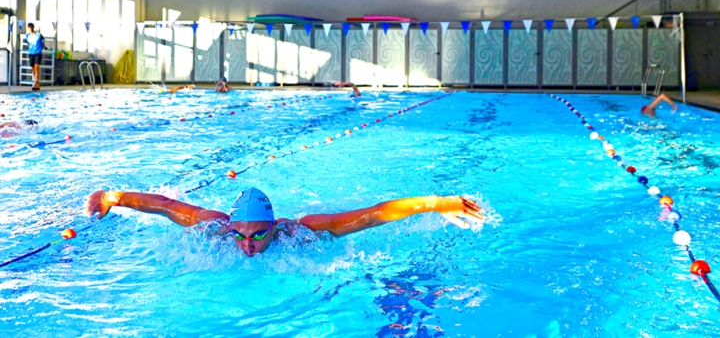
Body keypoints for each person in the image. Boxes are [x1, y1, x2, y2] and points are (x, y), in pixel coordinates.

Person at [86, 187, 484, 257]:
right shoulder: (216, 227)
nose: (247, 246)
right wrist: (111, 198)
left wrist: (436, 204)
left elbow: (372, 215)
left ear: (273, 226)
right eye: (240, 236)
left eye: (258, 236)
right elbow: (162, 205)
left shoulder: (302, 230)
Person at [25, 23, 44, 91]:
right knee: (33, 69)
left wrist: (41, 48)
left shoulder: (38, 35)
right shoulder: (27, 36)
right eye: (29, 27)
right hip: (31, 53)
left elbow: (43, 41)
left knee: (36, 68)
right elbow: (28, 43)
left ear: (33, 27)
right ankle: (37, 84)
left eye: (31, 27)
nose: (30, 28)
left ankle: (34, 84)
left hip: (37, 53)